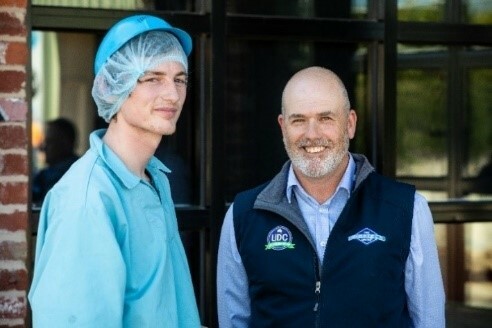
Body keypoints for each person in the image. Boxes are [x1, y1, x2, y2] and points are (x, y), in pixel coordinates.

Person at [217, 66, 445, 327]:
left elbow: (430, 321)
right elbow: (233, 321)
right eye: (299, 120)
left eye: (326, 118)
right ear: (283, 127)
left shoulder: (407, 210)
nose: (312, 134)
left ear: (349, 124)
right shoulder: (242, 216)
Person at [28, 14, 201, 327]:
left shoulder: (154, 178)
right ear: (113, 85)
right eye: (153, 79)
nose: (173, 94)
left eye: (179, 79)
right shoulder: (88, 198)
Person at [32, 117, 79, 206]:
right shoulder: (44, 175)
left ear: (66, 143)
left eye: (49, 142)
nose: (43, 148)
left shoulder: (77, 172)